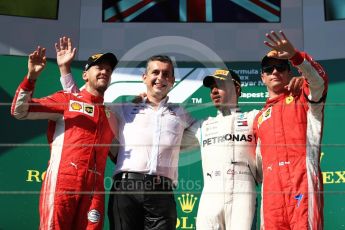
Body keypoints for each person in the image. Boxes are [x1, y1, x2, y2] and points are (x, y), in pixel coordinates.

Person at [59, 51, 196, 229]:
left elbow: (207, 132)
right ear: (145, 77)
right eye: (155, 72)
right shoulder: (122, 108)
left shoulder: (181, 114)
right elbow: (82, 105)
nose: (160, 77)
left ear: (172, 80)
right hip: (126, 188)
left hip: (162, 191)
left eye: (166, 74)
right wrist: (65, 72)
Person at [11, 42, 119, 229]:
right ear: (85, 75)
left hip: (94, 192)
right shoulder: (67, 100)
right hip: (63, 183)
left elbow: (121, 156)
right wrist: (31, 77)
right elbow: (20, 110)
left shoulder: (111, 116)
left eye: (108, 69)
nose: (104, 72)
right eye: (99, 67)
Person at [253, 30, 328, 229]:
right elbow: (257, 163)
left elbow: (319, 81)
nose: (275, 72)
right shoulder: (258, 118)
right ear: (262, 78)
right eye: (269, 69)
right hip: (271, 193)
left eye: (280, 67)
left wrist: (295, 57)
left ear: (289, 72)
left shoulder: (304, 95)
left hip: (302, 181)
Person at [194, 69, 260, 230]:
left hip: (243, 191)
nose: (214, 91)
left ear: (237, 89)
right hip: (211, 192)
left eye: (220, 85)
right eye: (212, 88)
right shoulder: (202, 125)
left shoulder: (254, 118)